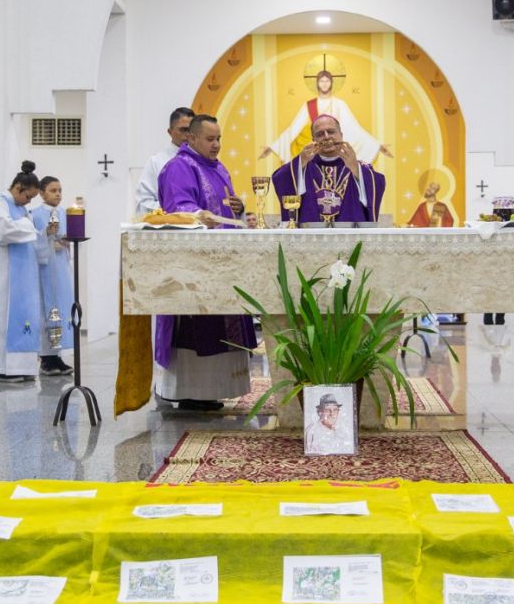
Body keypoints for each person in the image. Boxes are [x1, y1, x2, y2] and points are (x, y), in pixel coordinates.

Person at [154, 115, 256, 408]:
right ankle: (192, 392)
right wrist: (200, 216)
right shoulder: (179, 167)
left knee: (222, 326)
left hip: (222, 263)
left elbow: (225, 209)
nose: (217, 145)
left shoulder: (219, 168)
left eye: (219, 138)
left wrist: (239, 208)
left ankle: (215, 389)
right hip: (193, 267)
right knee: (198, 329)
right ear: (192, 139)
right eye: (210, 139)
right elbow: (179, 209)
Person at [0, 161, 45, 382]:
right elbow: (3, 232)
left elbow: (30, 232)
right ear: (17, 189)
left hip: (22, 279)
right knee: (0, 319)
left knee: (23, 319)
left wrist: (29, 226)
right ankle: (0, 368)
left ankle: (21, 367)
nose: (29, 202)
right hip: (1, 276)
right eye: (28, 197)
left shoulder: (22, 209)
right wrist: (27, 225)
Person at [271, 114, 385, 225]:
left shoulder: (356, 167)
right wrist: (300, 162)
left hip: (349, 237)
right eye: (320, 134)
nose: (326, 137)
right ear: (313, 139)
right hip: (311, 237)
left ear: (341, 134)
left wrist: (356, 169)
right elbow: (280, 178)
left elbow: (378, 182)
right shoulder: (303, 166)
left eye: (331, 131)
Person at [259, 70, 393, 164]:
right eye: (321, 81)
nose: (324, 83)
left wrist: (377, 145)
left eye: (327, 81)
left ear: (331, 83)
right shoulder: (310, 105)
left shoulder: (339, 104)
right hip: (315, 150)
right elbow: (294, 127)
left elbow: (354, 127)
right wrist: (273, 147)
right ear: (317, 83)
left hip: (334, 150)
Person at [31, 175, 74, 375]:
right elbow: (35, 241)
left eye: (60, 190)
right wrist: (49, 239)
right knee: (47, 311)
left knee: (61, 310)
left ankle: (57, 355)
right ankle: (46, 358)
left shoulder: (65, 213)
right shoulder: (36, 214)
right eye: (53, 190)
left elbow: (68, 238)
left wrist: (66, 241)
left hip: (61, 269)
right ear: (41, 193)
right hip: (46, 270)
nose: (58, 194)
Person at [134, 107, 193, 218]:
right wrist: (174, 209)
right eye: (183, 130)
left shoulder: (201, 162)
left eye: (191, 130)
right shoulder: (156, 162)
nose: (188, 135)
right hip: (168, 228)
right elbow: (142, 204)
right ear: (170, 132)